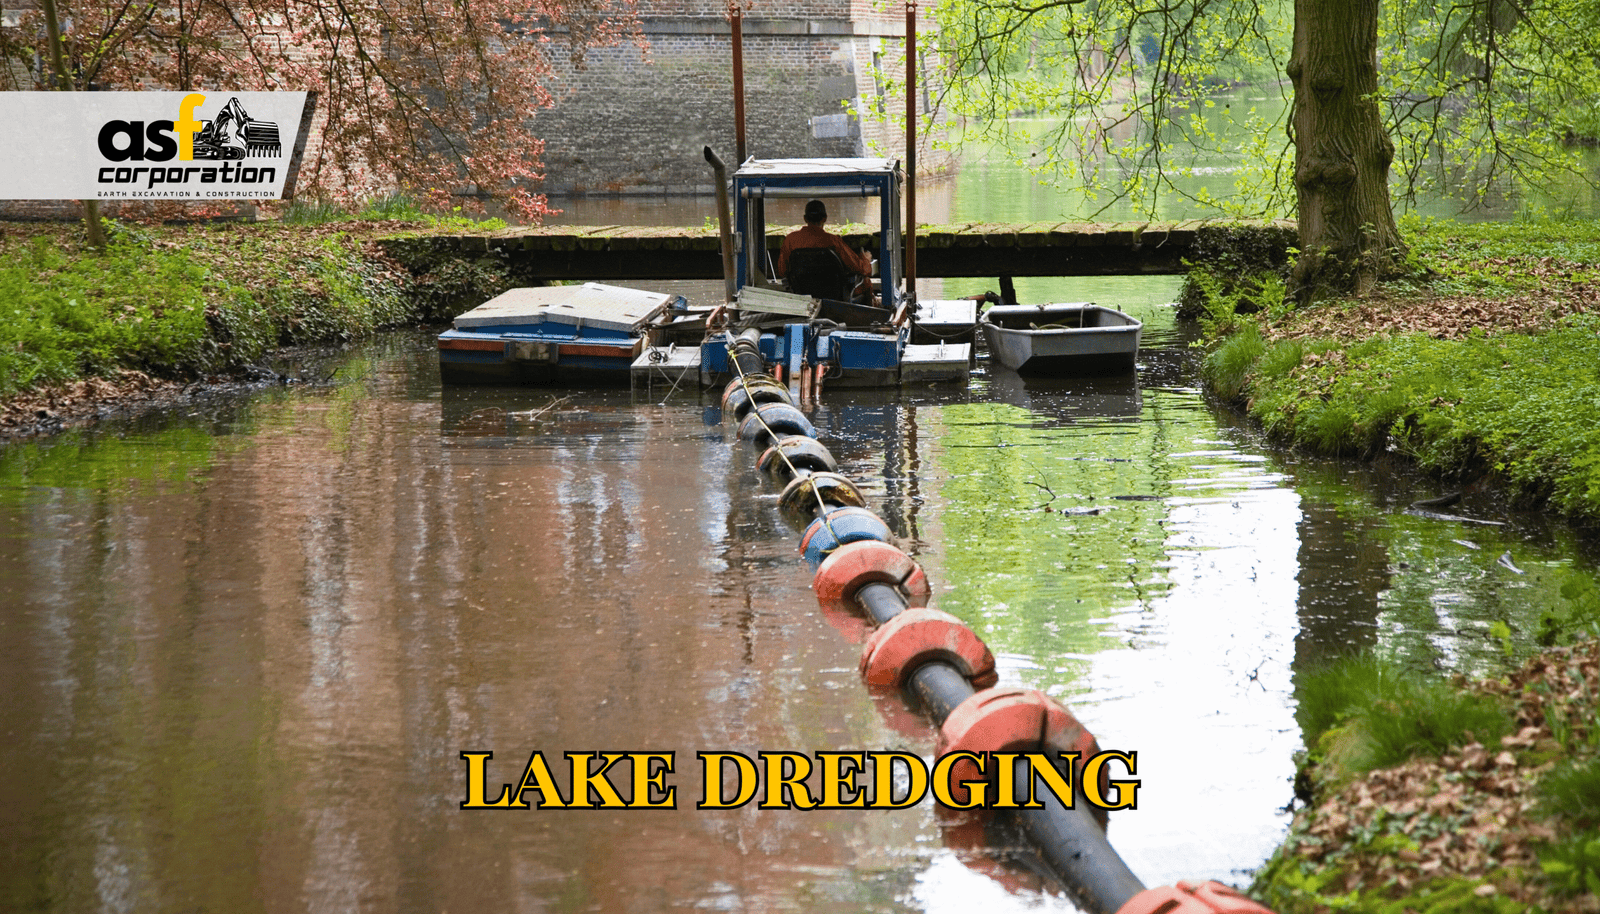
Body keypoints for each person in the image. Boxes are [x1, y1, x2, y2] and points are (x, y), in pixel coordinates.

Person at [778, 199, 874, 302]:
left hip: (801, 294)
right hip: (834, 296)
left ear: (805, 219)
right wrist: (866, 259)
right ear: (825, 218)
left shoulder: (790, 240)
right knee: (866, 281)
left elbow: (782, 271)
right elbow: (860, 268)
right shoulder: (833, 241)